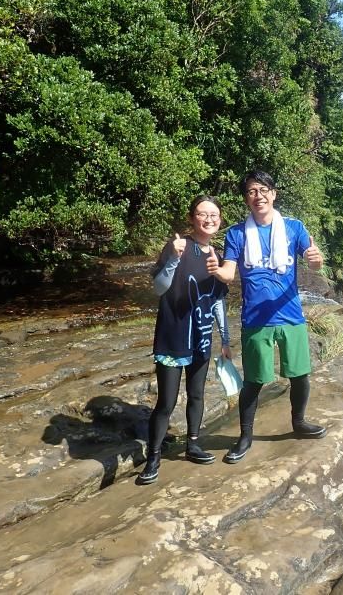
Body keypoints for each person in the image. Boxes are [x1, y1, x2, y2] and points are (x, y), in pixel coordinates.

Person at [208, 170, 326, 464]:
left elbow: (314, 262)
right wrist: (215, 269)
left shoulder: (294, 228)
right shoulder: (236, 234)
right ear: (247, 199)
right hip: (255, 319)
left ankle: (298, 423)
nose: (258, 196)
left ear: (273, 194)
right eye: (251, 191)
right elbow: (229, 273)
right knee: (254, 382)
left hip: (290, 316)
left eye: (263, 190)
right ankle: (245, 436)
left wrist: (316, 260)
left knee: (299, 375)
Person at [137, 196, 231, 485]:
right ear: (192, 218)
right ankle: (153, 458)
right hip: (173, 335)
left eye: (214, 214)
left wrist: (225, 340)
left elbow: (218, 302)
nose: (209, 219)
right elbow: (159, 288)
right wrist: (173, 259)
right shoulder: (178, 246)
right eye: (202, 214)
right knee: (166, 402)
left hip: (201, 337)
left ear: (220, 219)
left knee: (198, 394)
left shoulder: (217, 254)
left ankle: (192, 444)